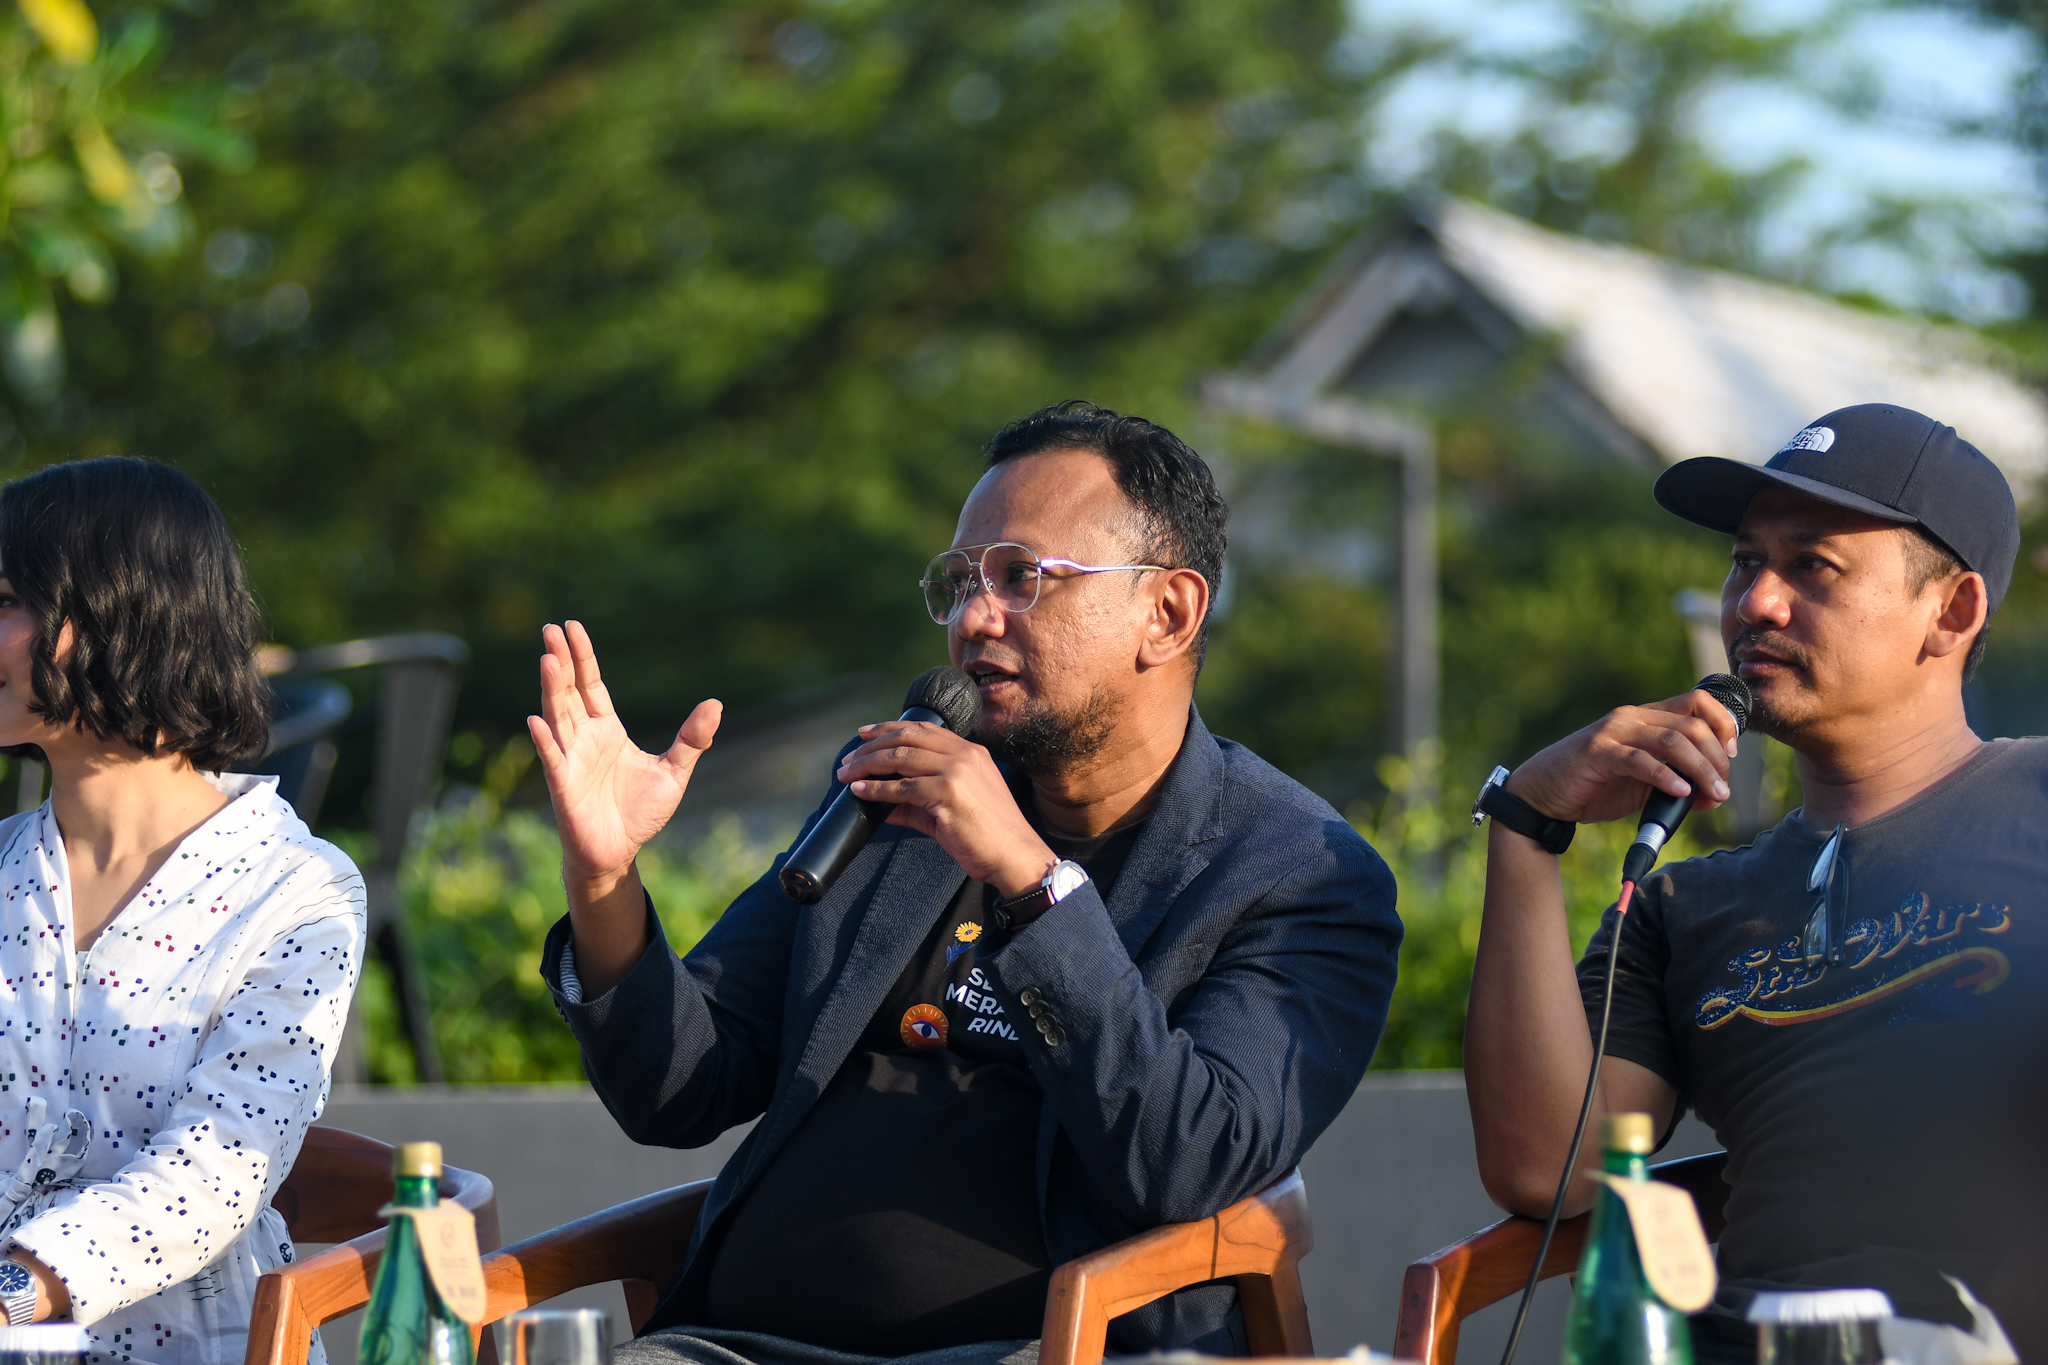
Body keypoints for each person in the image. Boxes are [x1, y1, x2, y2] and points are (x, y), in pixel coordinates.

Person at [530, 402, 1402, 1365]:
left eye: (1022, 577)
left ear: (1169, 612)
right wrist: (604, 876)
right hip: (741, 1345)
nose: (974, 617)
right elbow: (678, 1090)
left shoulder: (1297, 874)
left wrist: (1031, 881)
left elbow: (1189, 1160)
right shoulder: (896, 796)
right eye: (959, 581)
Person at [1464, 403, 2044, 1361]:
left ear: (1953, 611)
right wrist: (1528, 827)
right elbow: (1547, 1171)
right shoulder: (1683, 908)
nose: (1755, 603)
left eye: (1812, 565)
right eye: (1745, 563)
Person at [0, 458, 366, 1365]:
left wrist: (17, 1287)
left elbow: (213, 1173)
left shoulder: (297, 892)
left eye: (5, 599)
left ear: (119, 611)